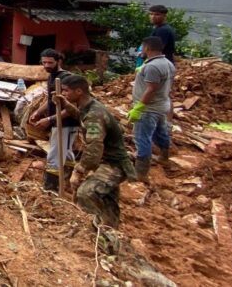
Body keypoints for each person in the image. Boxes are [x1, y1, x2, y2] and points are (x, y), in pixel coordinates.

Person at [62, 74, 135, 229]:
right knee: (107, 199)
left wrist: (79, 170)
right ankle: (110, 230)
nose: (64, 94)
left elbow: (94, 148)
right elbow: (80, 116)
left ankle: (94, 230)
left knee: (85, 193)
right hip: (108, 161)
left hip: (114, 164)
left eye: (66, 91)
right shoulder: (88, 107)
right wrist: (66, 104)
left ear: (79, 92)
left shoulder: (95, 114)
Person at [128, 36, 176, 182]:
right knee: (160, 133)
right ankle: (164, 156)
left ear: (147, 48)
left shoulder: (152, 67)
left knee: (142, 138)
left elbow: (151, 89)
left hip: (149, 109)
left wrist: (139, 107)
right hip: (162, 105)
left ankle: (140, 173)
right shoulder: (167, 63)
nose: (141, 50)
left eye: (142, 47)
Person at [28, 49, 75, 192]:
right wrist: (38, 112)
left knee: (55, 154)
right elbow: (50, 100)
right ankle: (68, 178)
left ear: (59, 62)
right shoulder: (51, 77)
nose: (47, 65)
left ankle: (51, 189)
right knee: (66, 151)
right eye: (44, 62)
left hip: (66, 123)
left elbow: (72, 107)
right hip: (58, 121)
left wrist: (50, 119)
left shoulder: (66, 79)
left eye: (50, 62)